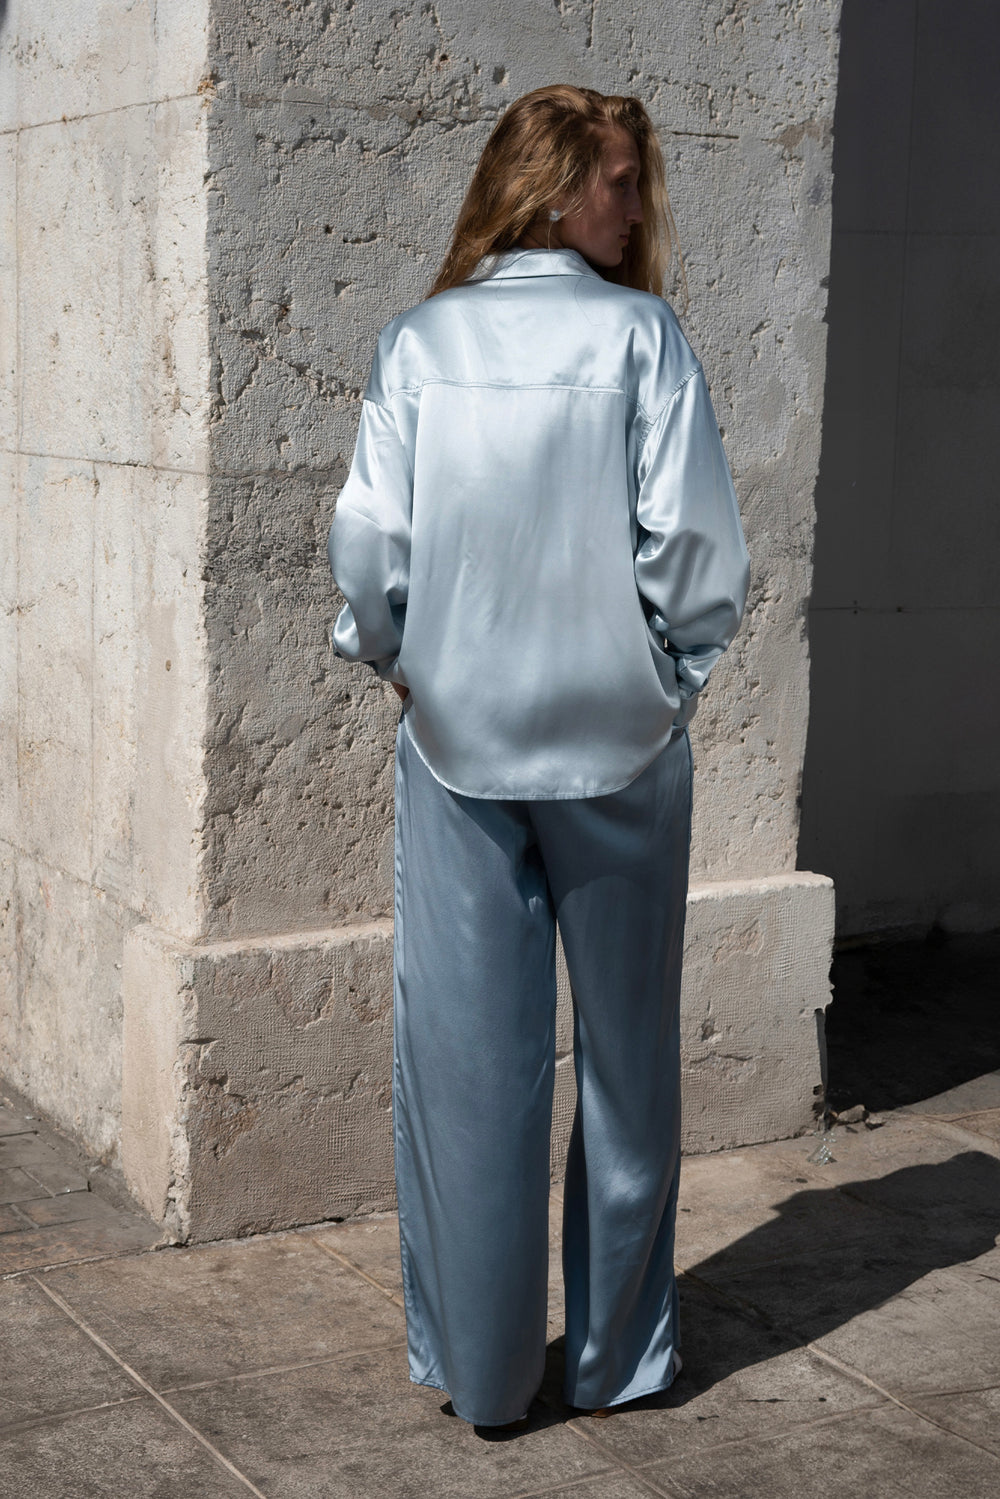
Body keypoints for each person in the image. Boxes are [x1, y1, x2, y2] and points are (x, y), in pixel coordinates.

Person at [327, 84, 750, 1430]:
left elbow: (370, 550)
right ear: (554, 184)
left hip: (457, 746)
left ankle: (489, 1377)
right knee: (628, 1071)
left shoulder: (419, 341)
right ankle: (619, 1362)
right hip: (622, 750)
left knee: (468, 1072)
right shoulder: (641, 337)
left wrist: (401, 661)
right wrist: (668, 682)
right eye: (621, 181)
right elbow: (695, 553)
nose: (636, 206)